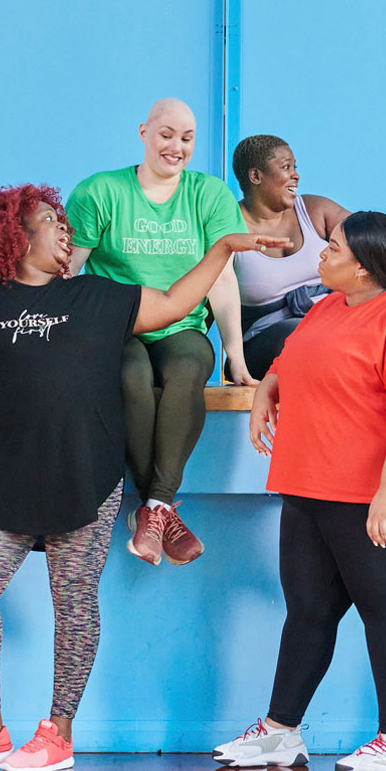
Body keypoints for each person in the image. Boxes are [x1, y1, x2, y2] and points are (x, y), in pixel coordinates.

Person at [0, 184, 281, 771]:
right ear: (14, 234)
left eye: (65, 221)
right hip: (1, 485)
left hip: (87, 482)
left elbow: (173, 304)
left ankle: (57, 735)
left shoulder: (97, 296)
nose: (65, 230)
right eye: (50, 220)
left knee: (73, 606)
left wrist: (222, 246)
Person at [213, 212, 386, 771]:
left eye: (335, 248)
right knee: (308, 612)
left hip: (378, 494)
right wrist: (269, 385)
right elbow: (297, 359)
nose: (321, 252)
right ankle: (280, 733)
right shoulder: (325, 308)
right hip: (309, 486)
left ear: (365, 268)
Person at [66, 98, 246, 568]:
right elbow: (69, 270)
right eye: (166, 134)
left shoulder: (209, 194)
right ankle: (161, 508)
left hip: (181, 323)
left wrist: (236, 357)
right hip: (113, 324)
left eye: (187, 138)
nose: (176, 147)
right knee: (132, 379)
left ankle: (154, 506)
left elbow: (222, 278)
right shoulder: (101, 191)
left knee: (188, 368)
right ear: (143, 131)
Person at [230, 133, 386, 381]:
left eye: (295, 166)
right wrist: (229, 363)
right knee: (306, 334)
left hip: (340, 320)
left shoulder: (312, 209)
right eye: (286, 167)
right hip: (270, 340)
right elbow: (212, 290)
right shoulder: (228, 225)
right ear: (255, 176)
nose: (296, 175)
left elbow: (379, 235)